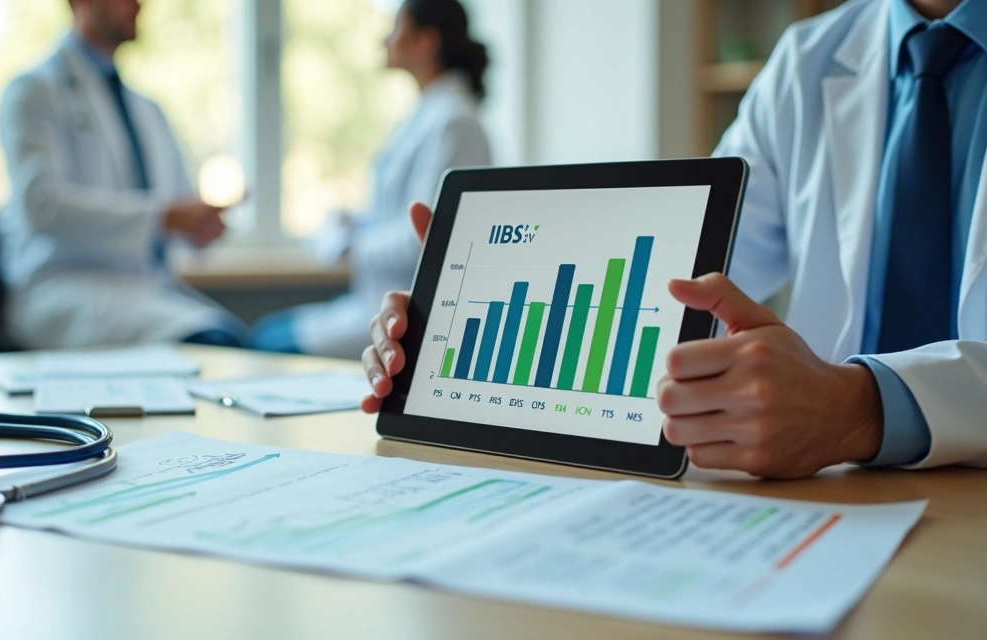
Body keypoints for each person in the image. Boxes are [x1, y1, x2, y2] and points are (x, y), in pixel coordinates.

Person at [359, 0, 987, 477]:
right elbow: (685, 277)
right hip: (831, 497)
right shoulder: (808, 60)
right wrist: (470, 308)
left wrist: (862, 409)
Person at [0, 0, 246, 349]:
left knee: (246, 346)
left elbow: (173, 208)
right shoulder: (34, 91)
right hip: (67, 288)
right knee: (215, 345)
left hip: (146, 289)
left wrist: (198, 225)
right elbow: (42, 206)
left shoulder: (149, 110)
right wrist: (163, 218)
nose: (139, 4)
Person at [251, 0, 492, 358]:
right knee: (263, 334)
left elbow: (425, 235)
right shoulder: (428, 114)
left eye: (397, 27)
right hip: (370, 299)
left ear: (427, 41)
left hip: (407, 311)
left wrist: (354, 245)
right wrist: (357, 224)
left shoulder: (454, 123)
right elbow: (400, 213)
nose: (386, 39)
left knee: (267, 344)